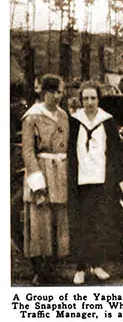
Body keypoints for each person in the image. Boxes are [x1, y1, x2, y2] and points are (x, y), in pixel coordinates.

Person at [67, 81, 123, 285]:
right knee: (82, 224)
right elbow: (70, 153)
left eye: (93, 98)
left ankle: (98, 265)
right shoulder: (74, 122)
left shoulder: (107, 122)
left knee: (101, 223)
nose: (89, 102)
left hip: (102, 180)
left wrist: (117, 179)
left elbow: (116, 154)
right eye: (86, 98)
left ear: (99, 100)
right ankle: (81, 267)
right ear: (80, 100)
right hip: (81, 181)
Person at [21, 74, 70, 285]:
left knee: (57, 220)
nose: (60, 96)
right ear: (47, 92)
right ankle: (39, 270)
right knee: (40, 221)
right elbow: (28, 152)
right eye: (57, 91)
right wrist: (37, 182)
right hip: (41, 170)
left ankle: (52, 267)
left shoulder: (63, 115)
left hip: (59, 171)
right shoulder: (32, 116)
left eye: (61, 92)